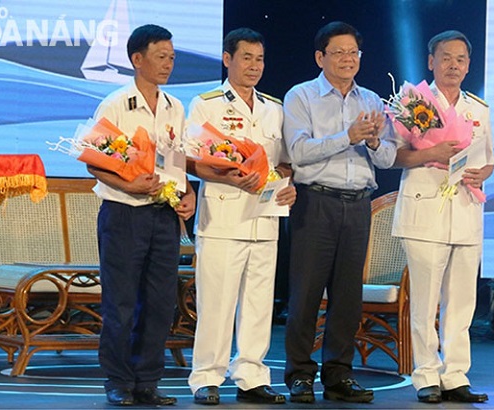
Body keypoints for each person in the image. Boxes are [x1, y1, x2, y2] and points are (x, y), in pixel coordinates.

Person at [282, 21, 396, 404]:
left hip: (358, 203)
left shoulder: (372, 100)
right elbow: (297, 153)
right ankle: (299, 374)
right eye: (339, 52)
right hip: (316, 201)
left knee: (348, 297)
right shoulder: (301, 96)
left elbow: (387, 158)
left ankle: (338, 376)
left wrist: (376, 139)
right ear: (320, 57)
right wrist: (346, 137)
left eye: (354, 53)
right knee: (306, 294)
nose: (348, 60)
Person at [186, 28, 296, 406]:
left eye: (259, 59)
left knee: (258, 302)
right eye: (246, 57)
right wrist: (230, 175)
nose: (254, 66)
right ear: (227, 59)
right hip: (222, 216)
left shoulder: (273, 107)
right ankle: (206, 377)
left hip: (265, 217)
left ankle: (251, 374)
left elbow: (283, 161)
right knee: (217, 302)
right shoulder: (207, 104)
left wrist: (288, 183)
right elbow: (193, 160)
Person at [87, 24, 196, 406]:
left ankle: (148, 380)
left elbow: (178, 159)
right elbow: (93, 161)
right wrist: (128, 186)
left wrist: (189, 195)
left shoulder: (175, 106)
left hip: (164, 216)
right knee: (120, 301)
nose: (168, 64)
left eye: (171, 57)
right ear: (137, 59)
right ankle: (118, 380)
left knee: (160, 300)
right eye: (160, 56)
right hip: (123, 214)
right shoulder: (116, 103)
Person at [391, 30, 494, 404]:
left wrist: (484, 172)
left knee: (462, 302)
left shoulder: (478, 109)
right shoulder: (413, 103)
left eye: (461, 59)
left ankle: (455, 375)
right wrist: (430, 152)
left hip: (465, 211)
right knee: (425, 300)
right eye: (446, 57)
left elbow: (489, 159)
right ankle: (426, 375)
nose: (454, 65)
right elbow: (395, 156)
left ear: (468, 65)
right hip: (425, 209)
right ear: (431, 61)